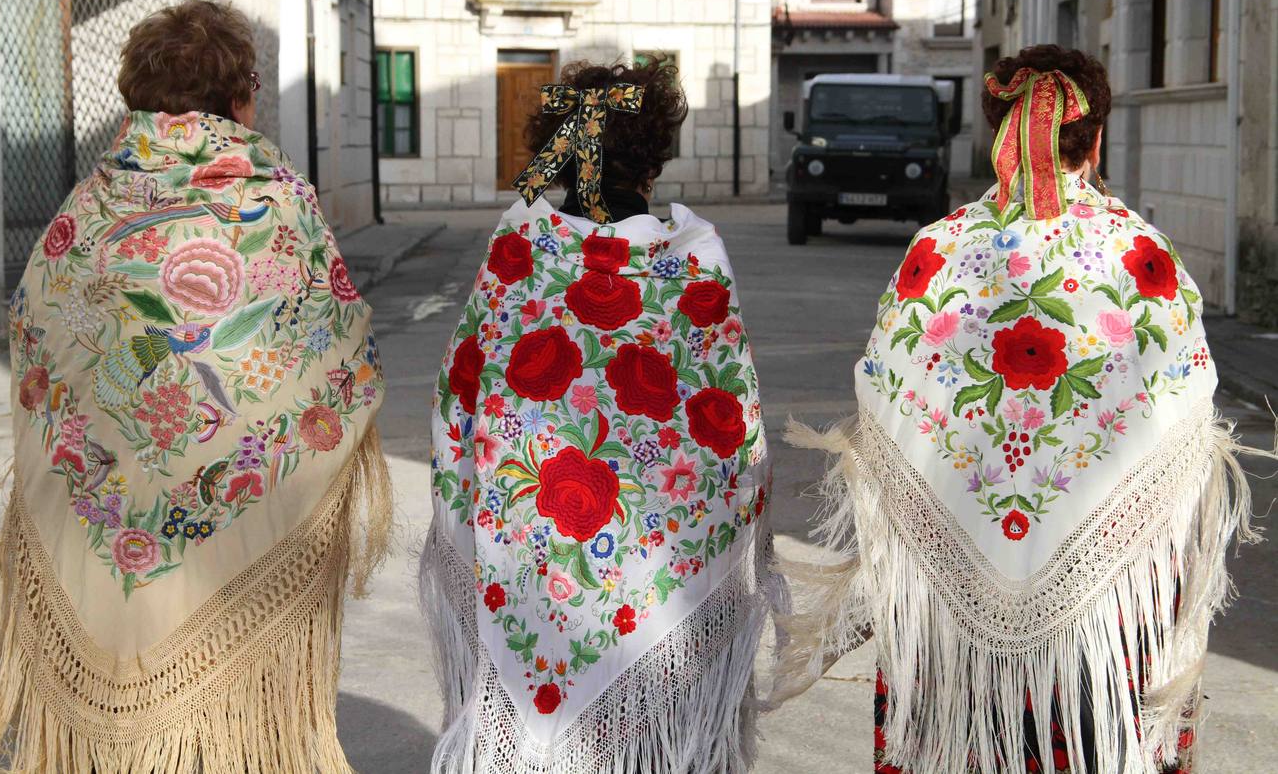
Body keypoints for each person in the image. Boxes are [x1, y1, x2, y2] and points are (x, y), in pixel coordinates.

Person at [0, 0, 391, 773]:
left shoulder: (84, 213)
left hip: (101, 531)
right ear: (241, 97)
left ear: (134, 96)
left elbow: (40, 350)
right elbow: (337, 359)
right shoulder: (281, 208)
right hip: (240, 559)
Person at [772, 45, 1261, 773]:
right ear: (1095, 141)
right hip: (1106, 626)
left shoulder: (938, 250)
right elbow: (1181, 429)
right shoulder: (1142, 256)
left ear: (999, 130)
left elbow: (886, 404)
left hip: (950, 628)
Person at [421, 57, 781, 773]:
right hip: (658, 559)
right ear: (654, 153)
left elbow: (462, 391)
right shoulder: (693, 255)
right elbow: (729, 419)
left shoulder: (519, 243)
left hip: (526, 547)